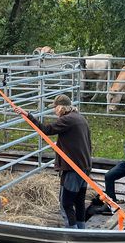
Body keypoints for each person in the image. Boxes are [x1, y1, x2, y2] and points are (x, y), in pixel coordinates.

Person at [14, 94, 92, 229]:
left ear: (61, 107)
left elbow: (46, 130)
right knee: (79, 202)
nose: (54, 110)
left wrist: (28, 115)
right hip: (84, 166)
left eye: (55, 108)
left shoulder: (67, 120)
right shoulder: (80, 118)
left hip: (73, 168)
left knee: (66, 204)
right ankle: (82, 230)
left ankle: (72, 234)